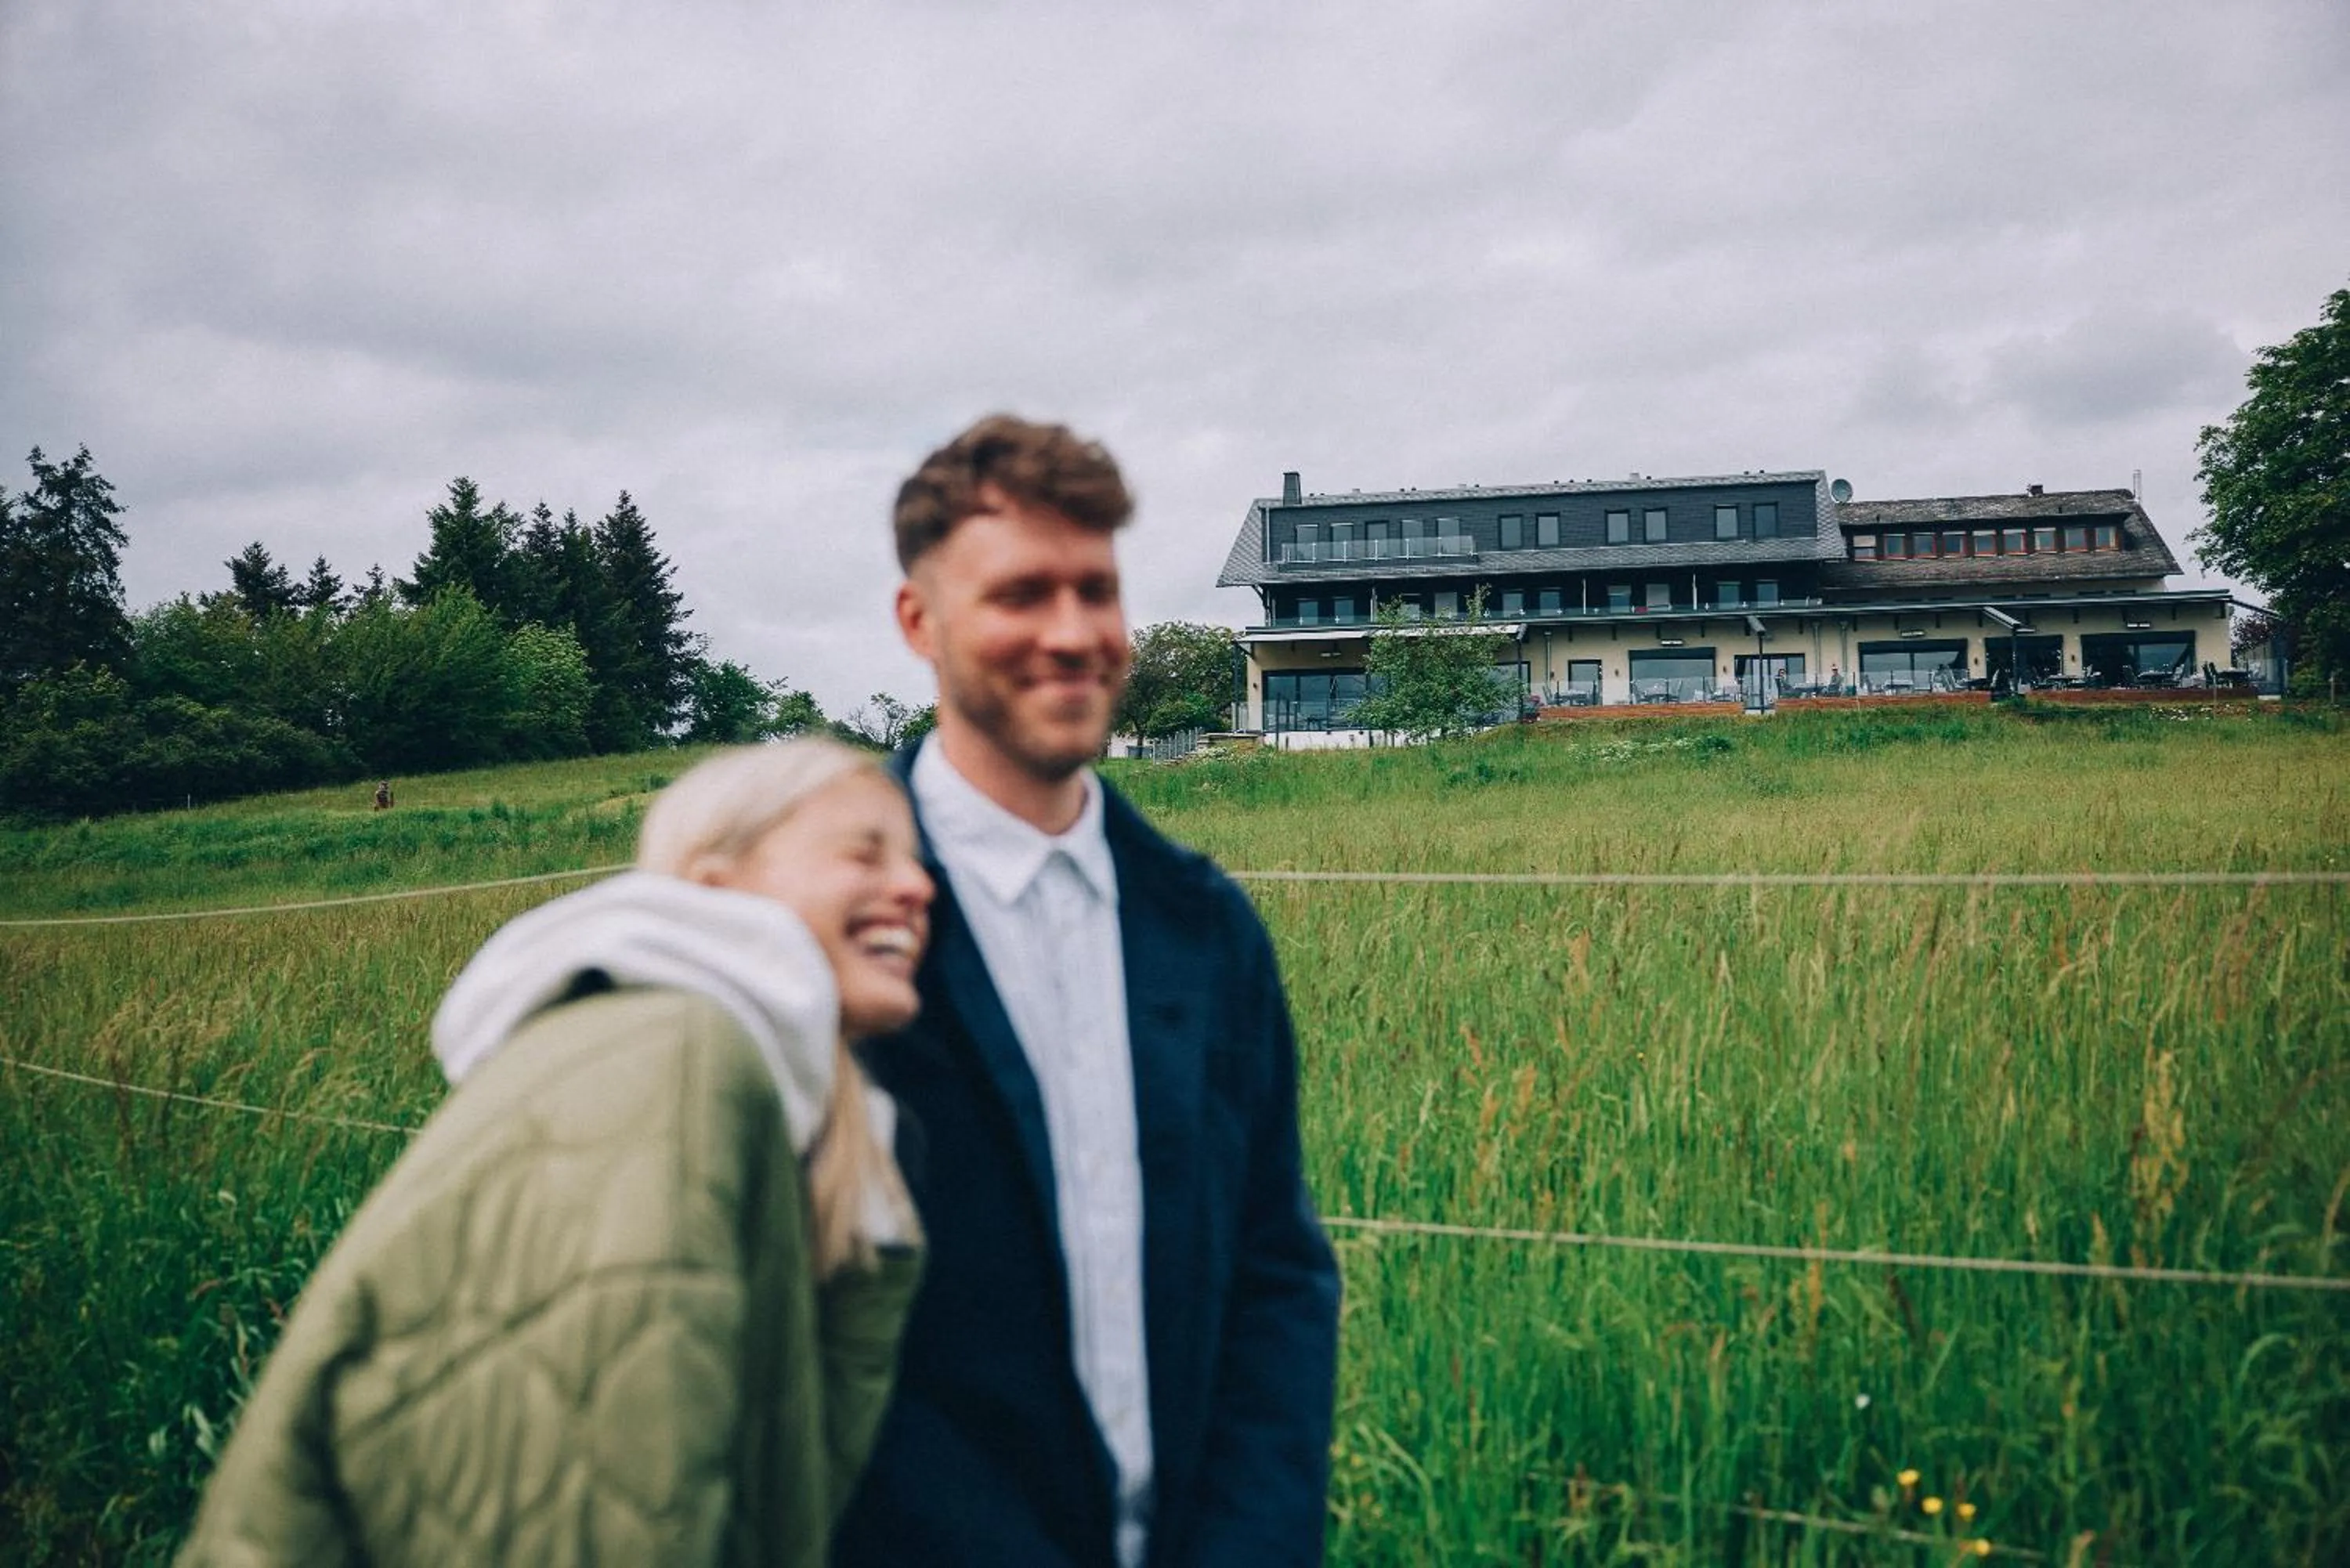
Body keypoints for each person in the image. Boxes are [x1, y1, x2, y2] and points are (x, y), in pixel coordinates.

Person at [175, 738, 931, 1568]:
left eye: (915, 861)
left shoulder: (763, 1092)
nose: (918, 888)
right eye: (865, 853)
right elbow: (580, 1517)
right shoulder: (664, 1060)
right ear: (719, 888)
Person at [834, 415, 1340, 1567]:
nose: (1073, 635)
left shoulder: (1206, 928)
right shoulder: (820, 917)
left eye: (1095, 589)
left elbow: (1276, 1276)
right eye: (1021, 593)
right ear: (919, 621)